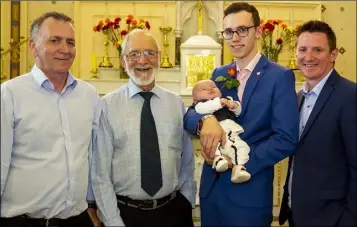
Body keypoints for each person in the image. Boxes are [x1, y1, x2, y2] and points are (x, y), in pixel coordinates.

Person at [184, 2, 299, 226]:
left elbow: (286, 138)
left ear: (258, 31)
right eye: (228, 32)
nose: (235, 38)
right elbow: (190, 113)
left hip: (249, 192)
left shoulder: (279, 76)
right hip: (212, 191)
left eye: (242, 30)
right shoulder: (219, 73)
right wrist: (205, 121)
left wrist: (239, 162)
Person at [1, 12, 101, 227]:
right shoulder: (9, 94)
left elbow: (93, 157)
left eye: (70, 42)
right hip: (25, 221)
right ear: (33, 46)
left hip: (77, 220)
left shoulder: (89, 95)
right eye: (54, 41)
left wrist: (93, 206)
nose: (65, 49)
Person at [91, 29, 195, 227]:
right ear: (123, 61)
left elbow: (187, 161)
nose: (142, 60)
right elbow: (100, 173)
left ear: (159, 58)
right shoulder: (107, 106)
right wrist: (113, 221)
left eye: (149, 53)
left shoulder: (176, 104)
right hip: (125, 214)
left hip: (172, 212)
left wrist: (186, 201)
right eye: (134, 54)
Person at [279, 20, 357, 227]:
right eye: (302, 49)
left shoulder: (350, 96)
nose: (308, 57)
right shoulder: (296, 98)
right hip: (297, 214)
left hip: (333, 217)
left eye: (318, 50)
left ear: (333, 54)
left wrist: (349, 219)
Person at [192, 79, 251, 183]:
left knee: (241, 147)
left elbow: (238, 112)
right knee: (214, 146)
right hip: (215, 135)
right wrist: (219, 103)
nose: (210, 89)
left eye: (213, 87)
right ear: (195, 100)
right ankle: (218, 159)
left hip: (231, 132)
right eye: (204, 89)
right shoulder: (201, 104)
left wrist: (233, 106)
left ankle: (238, 168)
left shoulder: (226, 100)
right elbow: (201, 110)